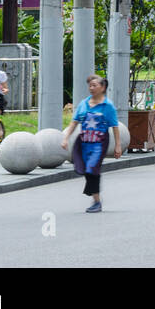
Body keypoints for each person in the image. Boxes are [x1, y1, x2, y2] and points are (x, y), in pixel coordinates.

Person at [61, 75, 121, 213]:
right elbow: (74, 122)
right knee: (84, 169)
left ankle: (97, 201)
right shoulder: (84, 104)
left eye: (95, 85)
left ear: (103, 87)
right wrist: (66, 138)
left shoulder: (108, 106)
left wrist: (118, 145)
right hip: (84, 141)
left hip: (99, 143)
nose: (92, 88)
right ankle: (94, 196)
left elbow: (115, 126)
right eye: (90, 86)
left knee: (92, 168)